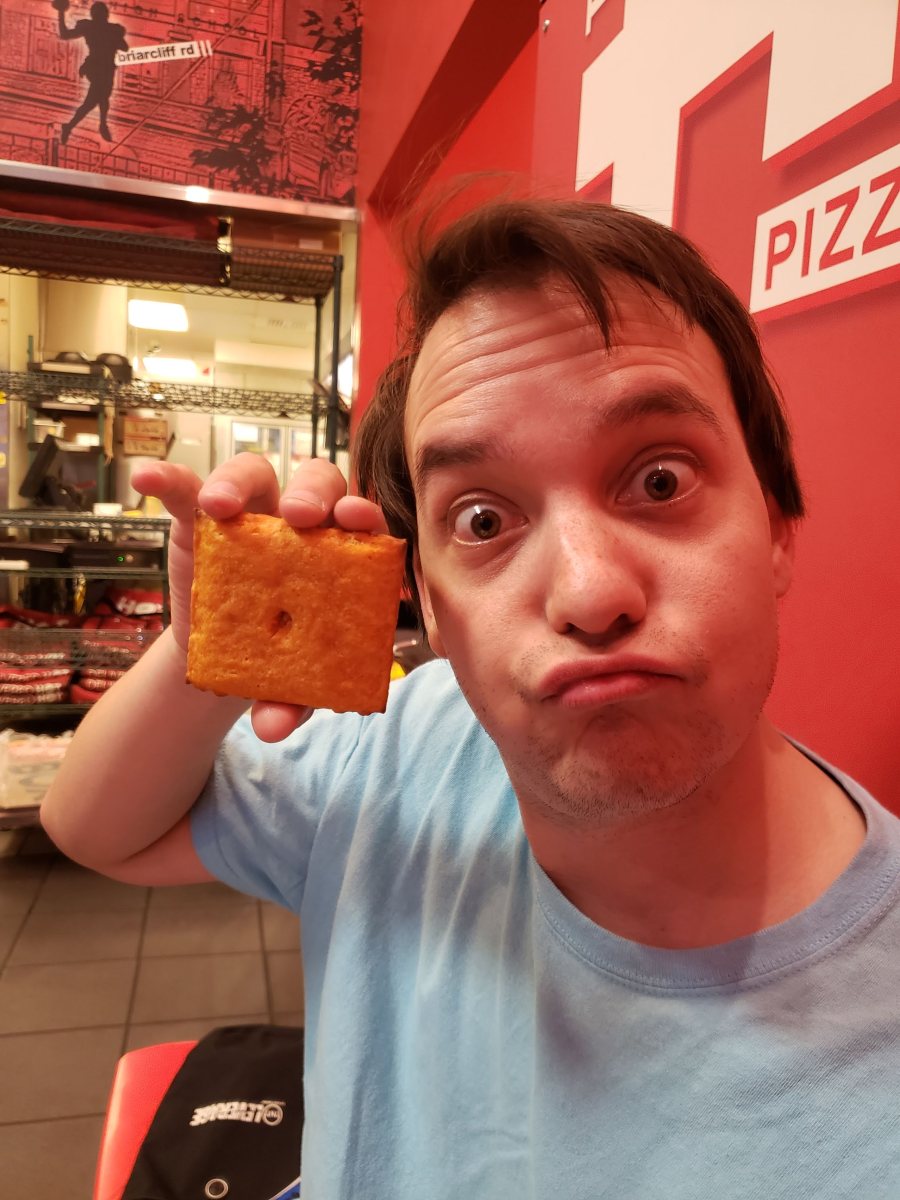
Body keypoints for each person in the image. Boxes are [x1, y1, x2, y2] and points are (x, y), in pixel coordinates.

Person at [42, 199, 900, 1198]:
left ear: (777, 524)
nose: (589, 592)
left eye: (660, 481)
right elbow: (96, 828)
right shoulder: (404, 750)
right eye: (484, 520)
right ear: (430, 608)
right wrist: (214, 659)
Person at [53, 0, 127, 144]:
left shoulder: (93, 28)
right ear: (106, 15)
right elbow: (124, 47)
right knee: (94, 100)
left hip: (102, 68)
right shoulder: (108, 29)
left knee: (100, 98)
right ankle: (98, 125)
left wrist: (61, 13)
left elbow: (65, 34)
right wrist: (117, 37)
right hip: (100, 68)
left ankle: (72, 126)